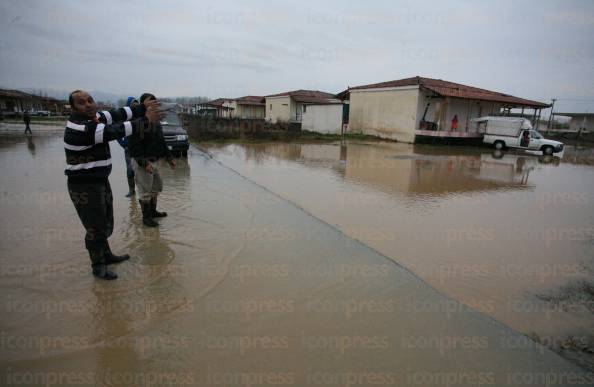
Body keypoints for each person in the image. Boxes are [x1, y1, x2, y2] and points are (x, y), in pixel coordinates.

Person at [64, 90, 164, 280]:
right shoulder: (80, 128)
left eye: (90, 100)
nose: (88, 104)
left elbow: (119, 114)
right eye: (81, 102)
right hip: (84, 186)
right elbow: (116, 130)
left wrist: (144, 107)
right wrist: (146, 119)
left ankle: (106, 255)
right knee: (95, 227)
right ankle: (97, 265)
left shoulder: (95, 118)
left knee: (105, 222)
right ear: (74, 108)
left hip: (100, 181)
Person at [129, 93, 176, 227]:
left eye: (155, 102)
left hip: (157, 160)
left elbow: (162, 141)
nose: (153, 105)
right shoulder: (136, 122)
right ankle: (146, 218)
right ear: (143, 105)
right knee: (145, 191)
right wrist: (144, 164)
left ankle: (153, 211)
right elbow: (134, 147)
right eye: (150, 102)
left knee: (155, 188)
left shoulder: (156, 122)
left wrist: (169, 157)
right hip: (143, 162)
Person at [117, 97, 138, 197]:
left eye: (136, 104)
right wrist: (123, 143)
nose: (135, 105)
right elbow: (117, 132)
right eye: (133, 104)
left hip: (140, 149)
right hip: (128, 149)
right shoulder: (124, 119)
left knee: (141, 170)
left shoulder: (140, 117)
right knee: (130, 171)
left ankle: (143, 192)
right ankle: (131, 190)